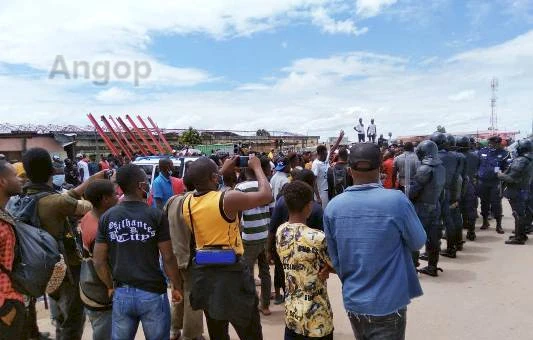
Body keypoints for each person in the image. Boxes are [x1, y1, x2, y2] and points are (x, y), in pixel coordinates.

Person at [324, 143, 426, 340]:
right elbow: (417, 242)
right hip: (388, 303)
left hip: (354, 300)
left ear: (349, 170)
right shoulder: (396, 201)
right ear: (380, 168)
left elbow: (335, 259)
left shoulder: (333, 207)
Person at [181, 156, 272, 340]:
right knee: (249, 329)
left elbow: (204, 185)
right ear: (214, 177)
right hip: (233, 275)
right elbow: (266, 195)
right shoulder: (227, 199)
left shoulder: (187, 203)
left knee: (217, 331)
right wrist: (257, 168)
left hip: (205, 276)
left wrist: (220, 170)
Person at [93, 164, 183, 340]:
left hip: (122, 293)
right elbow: (168, 257)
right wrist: (176, 286)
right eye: (146, 181)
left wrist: (110, 286)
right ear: (141, 185)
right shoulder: (155, 216)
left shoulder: (107, 217)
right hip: (152, 293)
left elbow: (98, 261)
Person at [18, 148, 99, 340]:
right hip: (66, 268)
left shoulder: (20, 198)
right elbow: (89, 206)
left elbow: (64, 197)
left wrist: (89, 182)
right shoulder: (55, 202)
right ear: (52, 171)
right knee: (72, 318)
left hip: (38, 267)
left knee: (58, 312)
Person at [276, 180, 334, 340]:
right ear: (310, 206)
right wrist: (328, 268)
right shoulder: (318, 238)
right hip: (317, 320)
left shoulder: (281, 231)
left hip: (292, 317)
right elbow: (339, 265)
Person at [269, 169, 324, 306]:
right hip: (315, 308)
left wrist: (269, 250)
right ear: (308, 206)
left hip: (292, 307)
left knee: (283, 275)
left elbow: (272, 230)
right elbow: (334, 262)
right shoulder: (318, 235)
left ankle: (280, 294)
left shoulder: (281, 230)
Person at [164, 171, 205, 340]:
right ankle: (191, 335)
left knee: (177, 291)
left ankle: (174, 329)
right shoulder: (197, 203)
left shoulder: (172, 200)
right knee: (193, 296)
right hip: (192, 258)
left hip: (174, 257)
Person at [79, 180, 118, 340]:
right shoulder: (98, 230)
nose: (117, 197)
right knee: (104, 332)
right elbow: (100, 263)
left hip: (87, 282)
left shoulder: (89, 215)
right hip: (99, 290)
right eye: (114, 194)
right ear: (104, 200)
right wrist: (110, 286)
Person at [235, 155, 273, 316]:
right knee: (265, 271)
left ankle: (252, 303)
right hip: (264, 235)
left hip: (249, 238)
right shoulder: (266, 186)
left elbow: (237, 217)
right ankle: (265, 306)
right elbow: (270, 210)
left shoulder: (240, 188)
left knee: (247, 271)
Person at [409, 140, 446, 276]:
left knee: (414, 238)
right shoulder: (441, 168)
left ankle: (413, 269)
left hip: (421, 208)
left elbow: (413, 192)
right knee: (434, 238)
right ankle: (432, 267)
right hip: (435, 205)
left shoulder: (424, 169)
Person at [0, 160, 25, 340]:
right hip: (5, 306)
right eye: (15, 176)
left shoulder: (4, 214)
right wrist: (4, 308)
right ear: (2, 181)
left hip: (12, 300)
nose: (20, 180)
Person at [430, 132, 460, 258]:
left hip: (435, 193)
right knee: (449, 221)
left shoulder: (433, 157)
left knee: (433, 223)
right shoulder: (455, 156)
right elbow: (458, 178)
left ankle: (431, 253)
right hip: (449, 191)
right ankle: (451, 248)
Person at [498, 139, 533, 245]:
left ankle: (519, 237)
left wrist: (500, 175)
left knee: (517, 214)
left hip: (516, 190)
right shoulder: (529, 159)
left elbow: (511, 178)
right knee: (521, 213)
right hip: (523, 189)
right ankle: (521, 234)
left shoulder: (521, 160)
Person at [477, 136, 510, 233]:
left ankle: (499, 225)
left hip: (496, 182)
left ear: (499, 143)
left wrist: (502, 176)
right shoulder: (482, 151)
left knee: (496, 204)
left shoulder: (505, 154)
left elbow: (507, 168)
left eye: (494, 143)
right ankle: (485, 222)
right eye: (490, 143)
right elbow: (477, 164)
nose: (491, 145)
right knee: (484, 203)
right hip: (483, 181)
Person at [456, 136, 480, 241]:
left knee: (456, 211)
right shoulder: (475, 156)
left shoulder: (456, 156)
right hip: (470, 184)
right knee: (471, 209)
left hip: (457, 186)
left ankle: (457, 237)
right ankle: (471, 232)